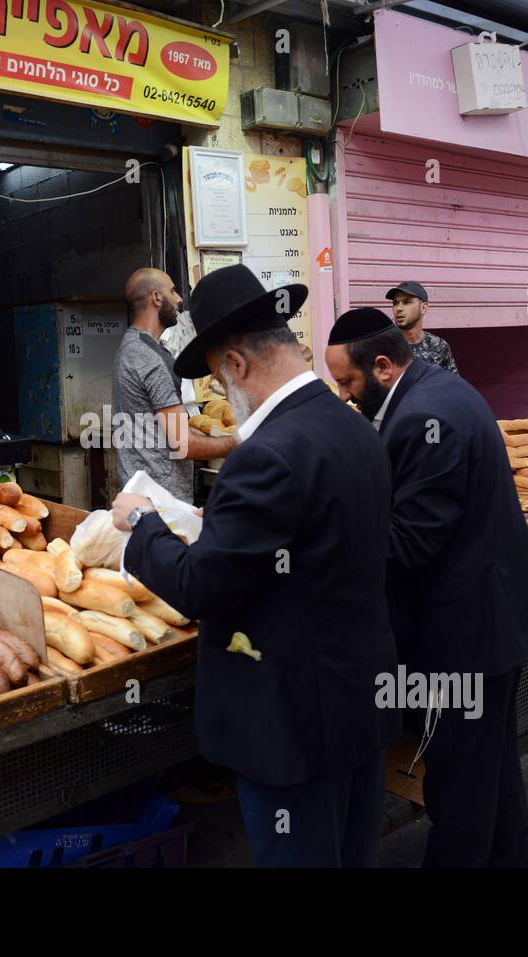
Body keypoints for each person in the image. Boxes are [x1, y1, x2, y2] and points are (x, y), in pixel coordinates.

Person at [112, 265, 399, 867]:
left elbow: (201, 586)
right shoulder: (355, 428)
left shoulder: (265, 455)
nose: (223, 390)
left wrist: (143, 523)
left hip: (292, 723)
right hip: (358, 701)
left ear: (236, 365)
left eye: (219, 377)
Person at [324, 307, 528, 868]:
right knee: (492, 772)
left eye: (349, 382)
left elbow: (407, 544)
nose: (347, 396)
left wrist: (325, 538)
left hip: (467, 635)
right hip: (492, 618)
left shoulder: (423, 419)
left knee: (457, 785)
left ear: (382, 366)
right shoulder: (441, 389)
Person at [111, 268, 237, 501]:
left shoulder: (129, 348)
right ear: (156, 298)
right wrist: (238, 442)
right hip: (162, 500)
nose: (179, 299)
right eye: (172, 290)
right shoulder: (151, 359)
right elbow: (184, 444)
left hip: (139, 492)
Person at [386, 281, 458, 374]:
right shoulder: (384, 346)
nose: (399, 308)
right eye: (395, 303)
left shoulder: (438, 346)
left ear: (424, 308)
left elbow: (452, 385)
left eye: (406, 302)